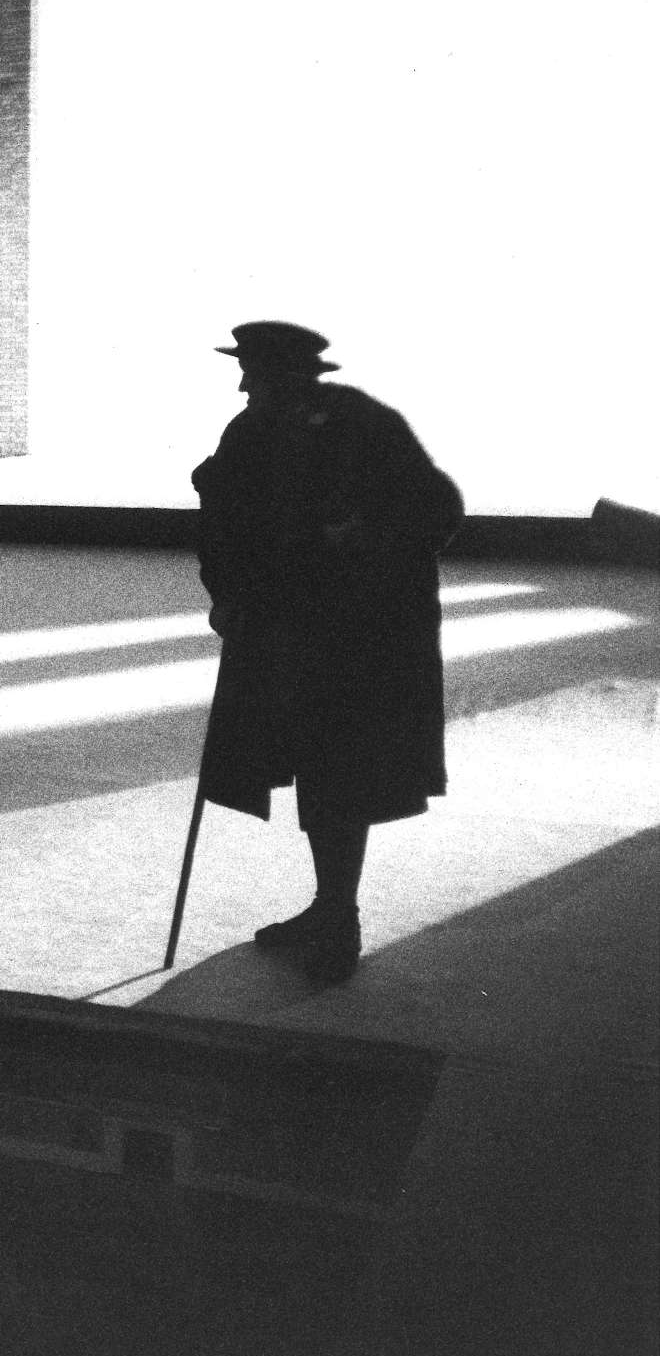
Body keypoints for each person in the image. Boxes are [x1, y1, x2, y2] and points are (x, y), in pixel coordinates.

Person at [191, 322, 464, 983]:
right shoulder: (249, 432)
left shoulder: (363, 424)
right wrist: (225, 595)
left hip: (357, 638)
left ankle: (339, 919)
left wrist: (364, 535)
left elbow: (438, 509)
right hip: (285, 631)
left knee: (341, 773)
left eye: (253, 373)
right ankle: (329, 905)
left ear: (289, 376)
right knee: (317, 766)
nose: (243, 385)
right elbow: (221, 521)